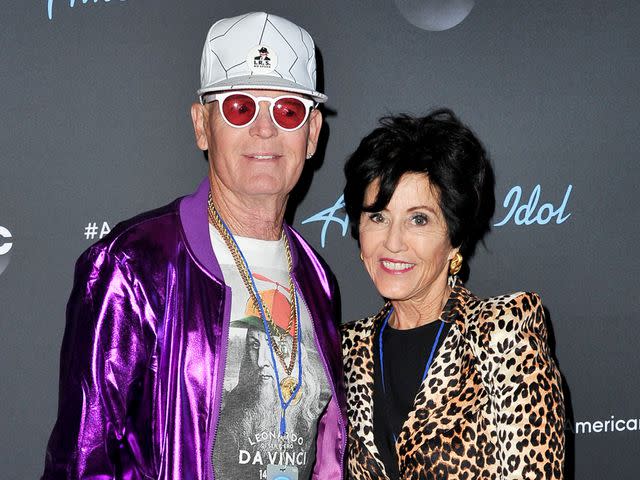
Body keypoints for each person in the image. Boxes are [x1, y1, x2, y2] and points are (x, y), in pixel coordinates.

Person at [42, 12, 346, 480]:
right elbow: (83, 460)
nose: (265, 130)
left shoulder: (317, 279)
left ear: (312, 134)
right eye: (239, 107)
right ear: (202, 125)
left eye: (287, 110)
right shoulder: (133, 267)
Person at [341, 110, 565, 479]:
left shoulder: (502, 333)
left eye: (419, 219)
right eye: (378, 217)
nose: (392, 243)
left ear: (454, 239)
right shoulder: (345, 349)